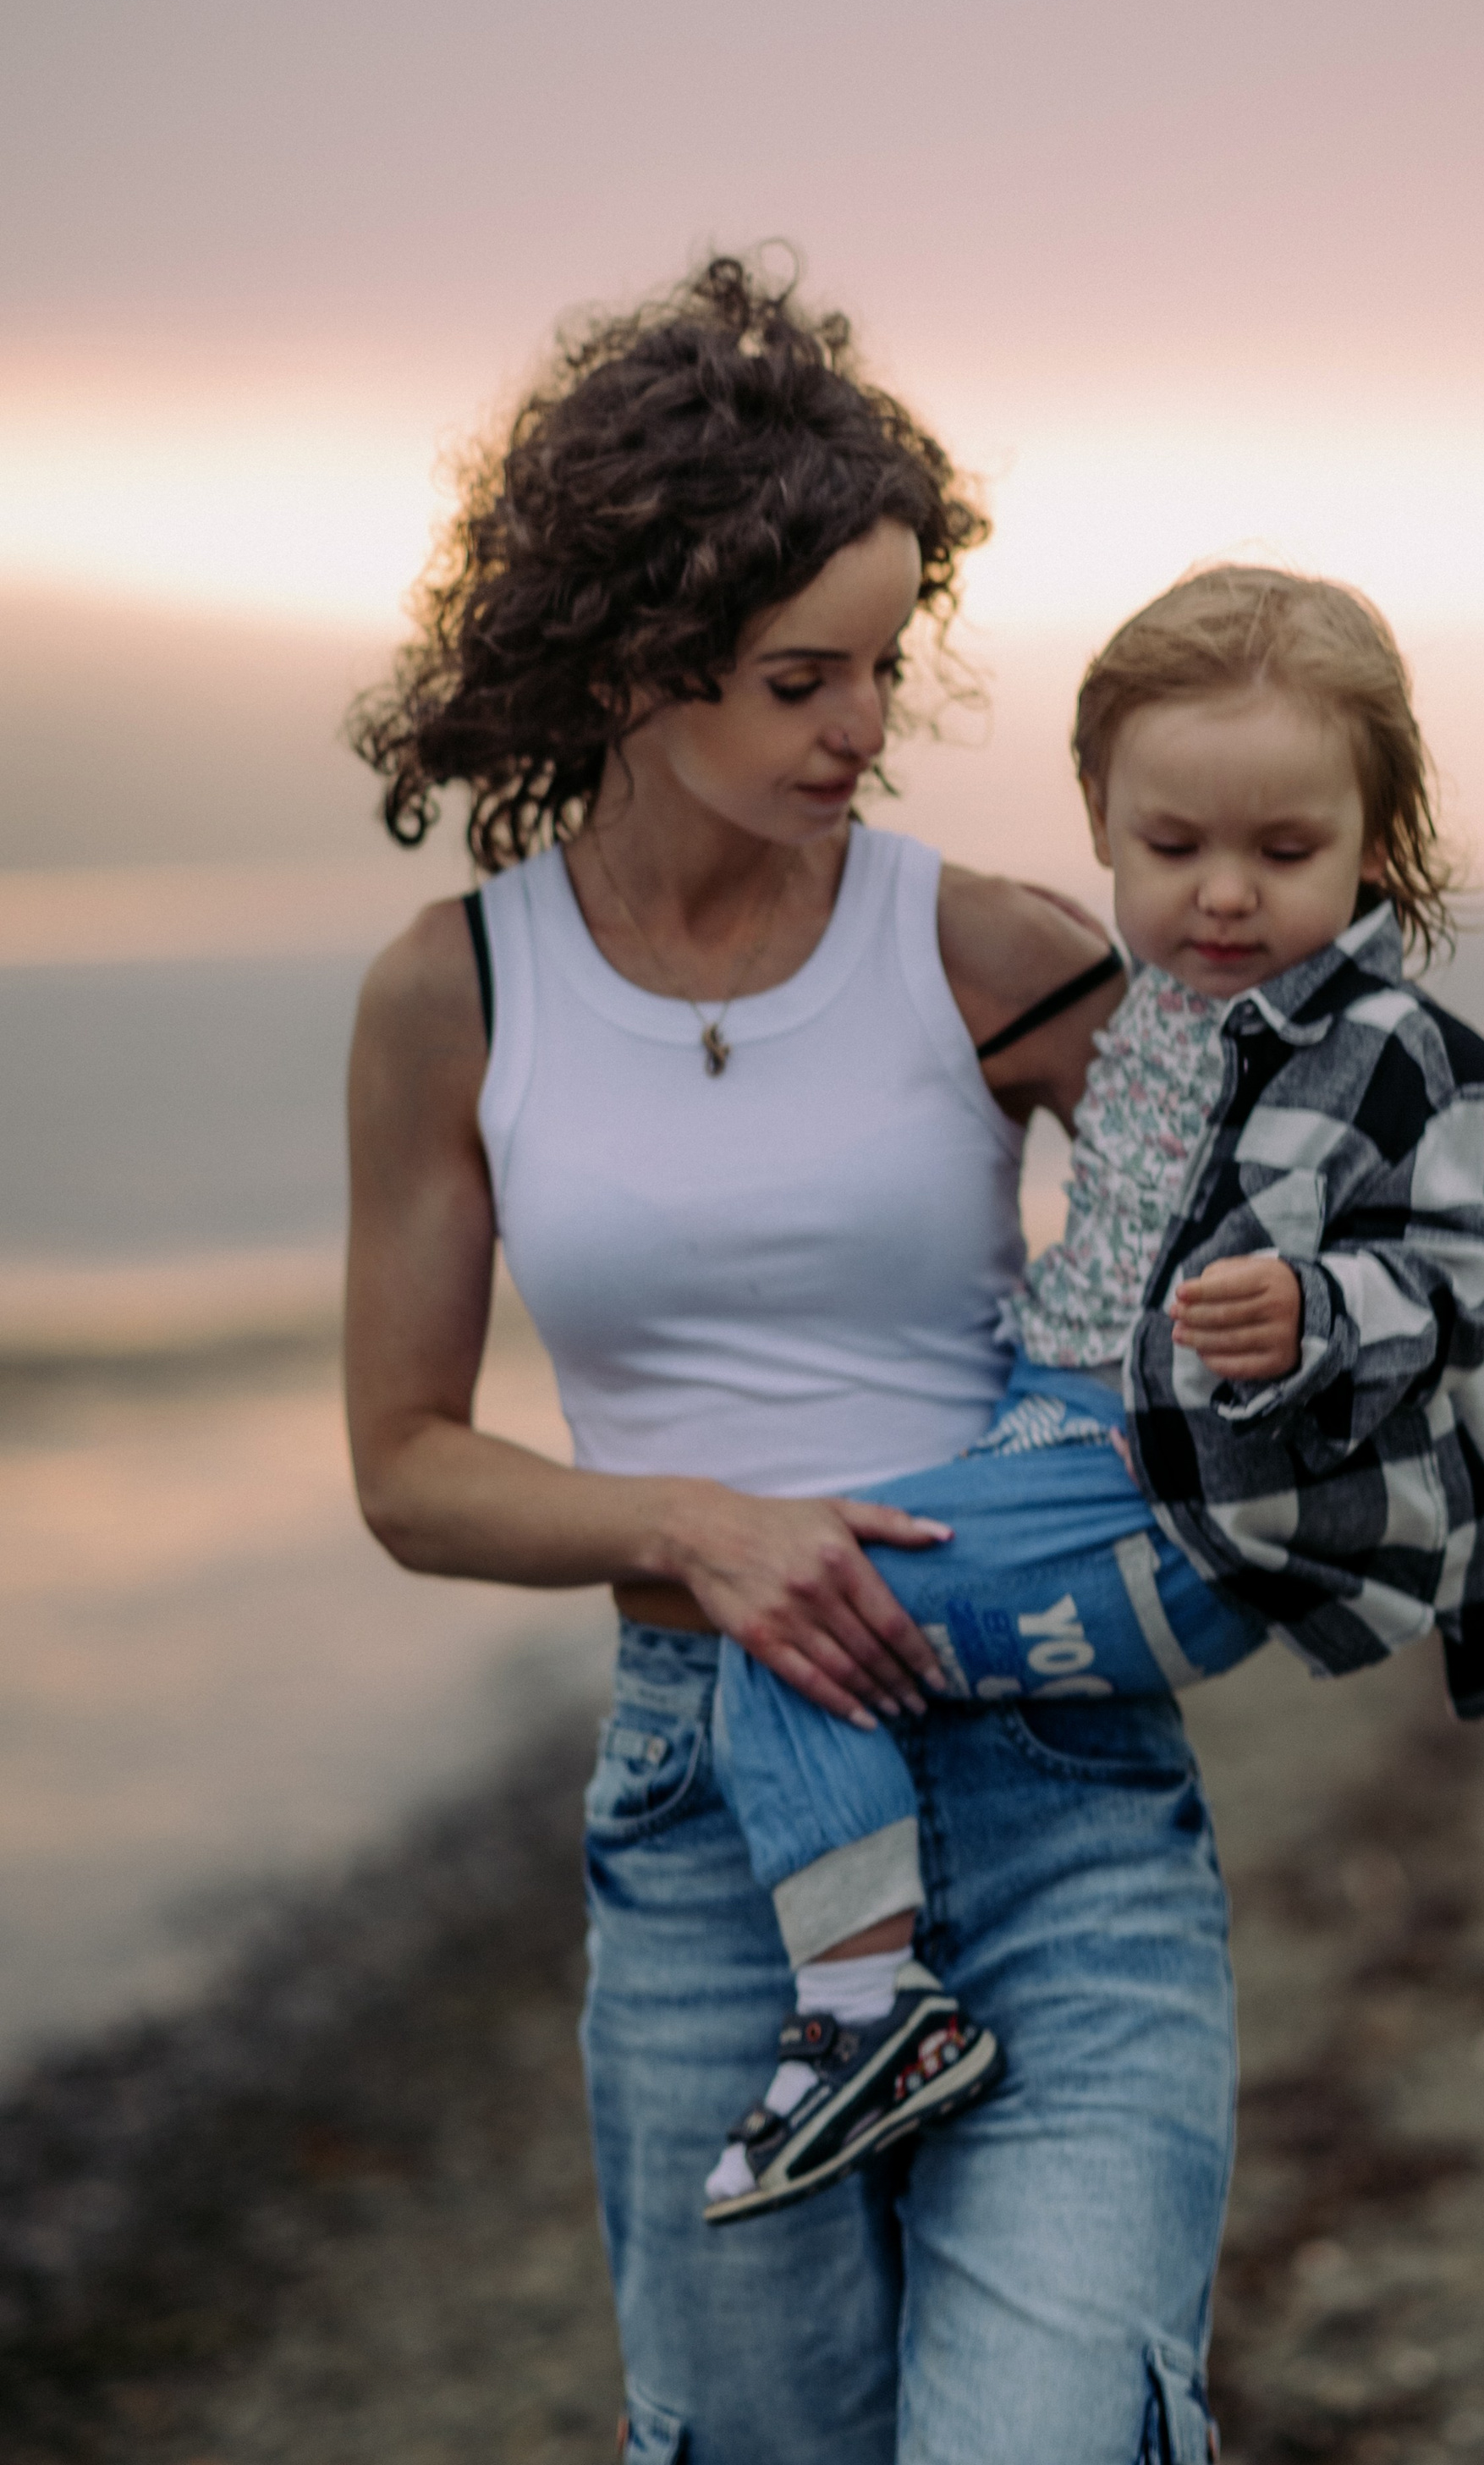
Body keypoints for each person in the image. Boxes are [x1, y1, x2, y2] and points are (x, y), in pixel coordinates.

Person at [344, 255, 1237, 2463]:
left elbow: (1254, 1220)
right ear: (638, 657)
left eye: (886, 662)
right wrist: (697, 1528)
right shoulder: (458, 993)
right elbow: (408, 1464)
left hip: (1047, 1780)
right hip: (701, 1815)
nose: (865, 726)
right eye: (799, 676)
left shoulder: (987, 950)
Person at [700, 563, 1484, 2221]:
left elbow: (1469, 1286)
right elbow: (1104, 1256)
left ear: (1372, 839)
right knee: (827, 1568)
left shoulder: (1396, 1054)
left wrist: (1317, 1305)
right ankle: (922, 1936)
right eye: (1171, 849)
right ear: (1097, 815)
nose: (1222, 894)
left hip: (1182, 1497)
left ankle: (873, 2015)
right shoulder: (1156, 1009)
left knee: (789, 1604)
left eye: (1283, 852)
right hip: (1066, 1425)